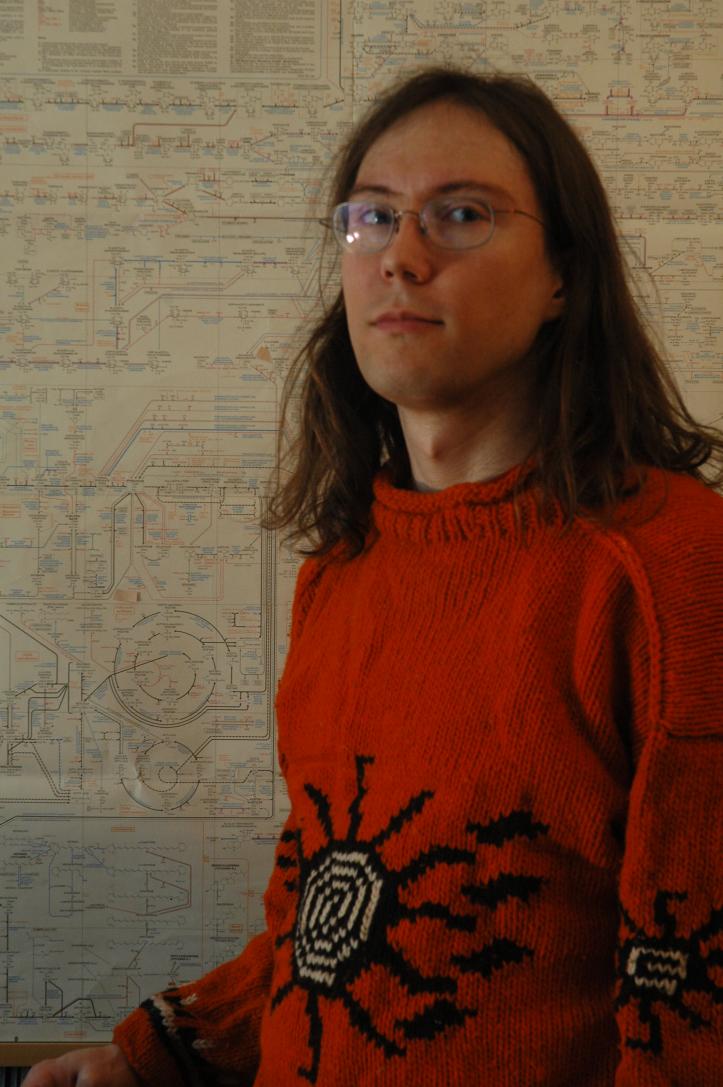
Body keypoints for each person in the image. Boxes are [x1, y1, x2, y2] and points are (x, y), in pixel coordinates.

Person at [25, 65, 723, 1087]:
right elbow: (332, 913)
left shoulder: (673, 571)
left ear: (564, 277)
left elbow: (694, 998)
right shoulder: (344, 569)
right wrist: (156, 1053)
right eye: (371, 217)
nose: (400, 254)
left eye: (461, 214)